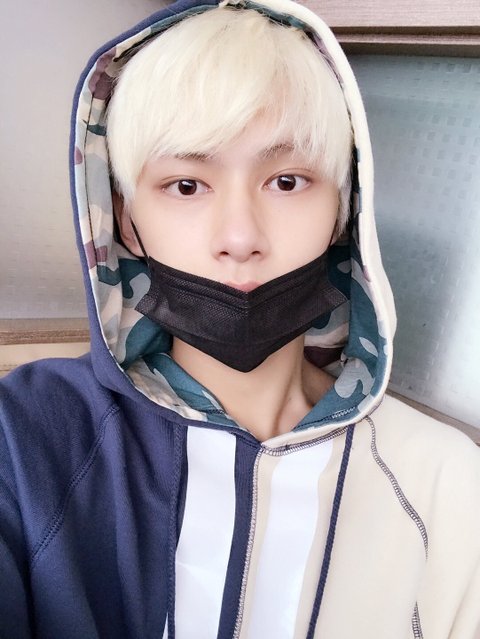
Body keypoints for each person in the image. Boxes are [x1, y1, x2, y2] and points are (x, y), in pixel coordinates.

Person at [1, 0, 479, 637]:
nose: (240, 237)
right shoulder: (25, 438)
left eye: (287, 181)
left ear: (343, 211)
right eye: (186, 185)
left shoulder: (445, 484)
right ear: (126, 221)